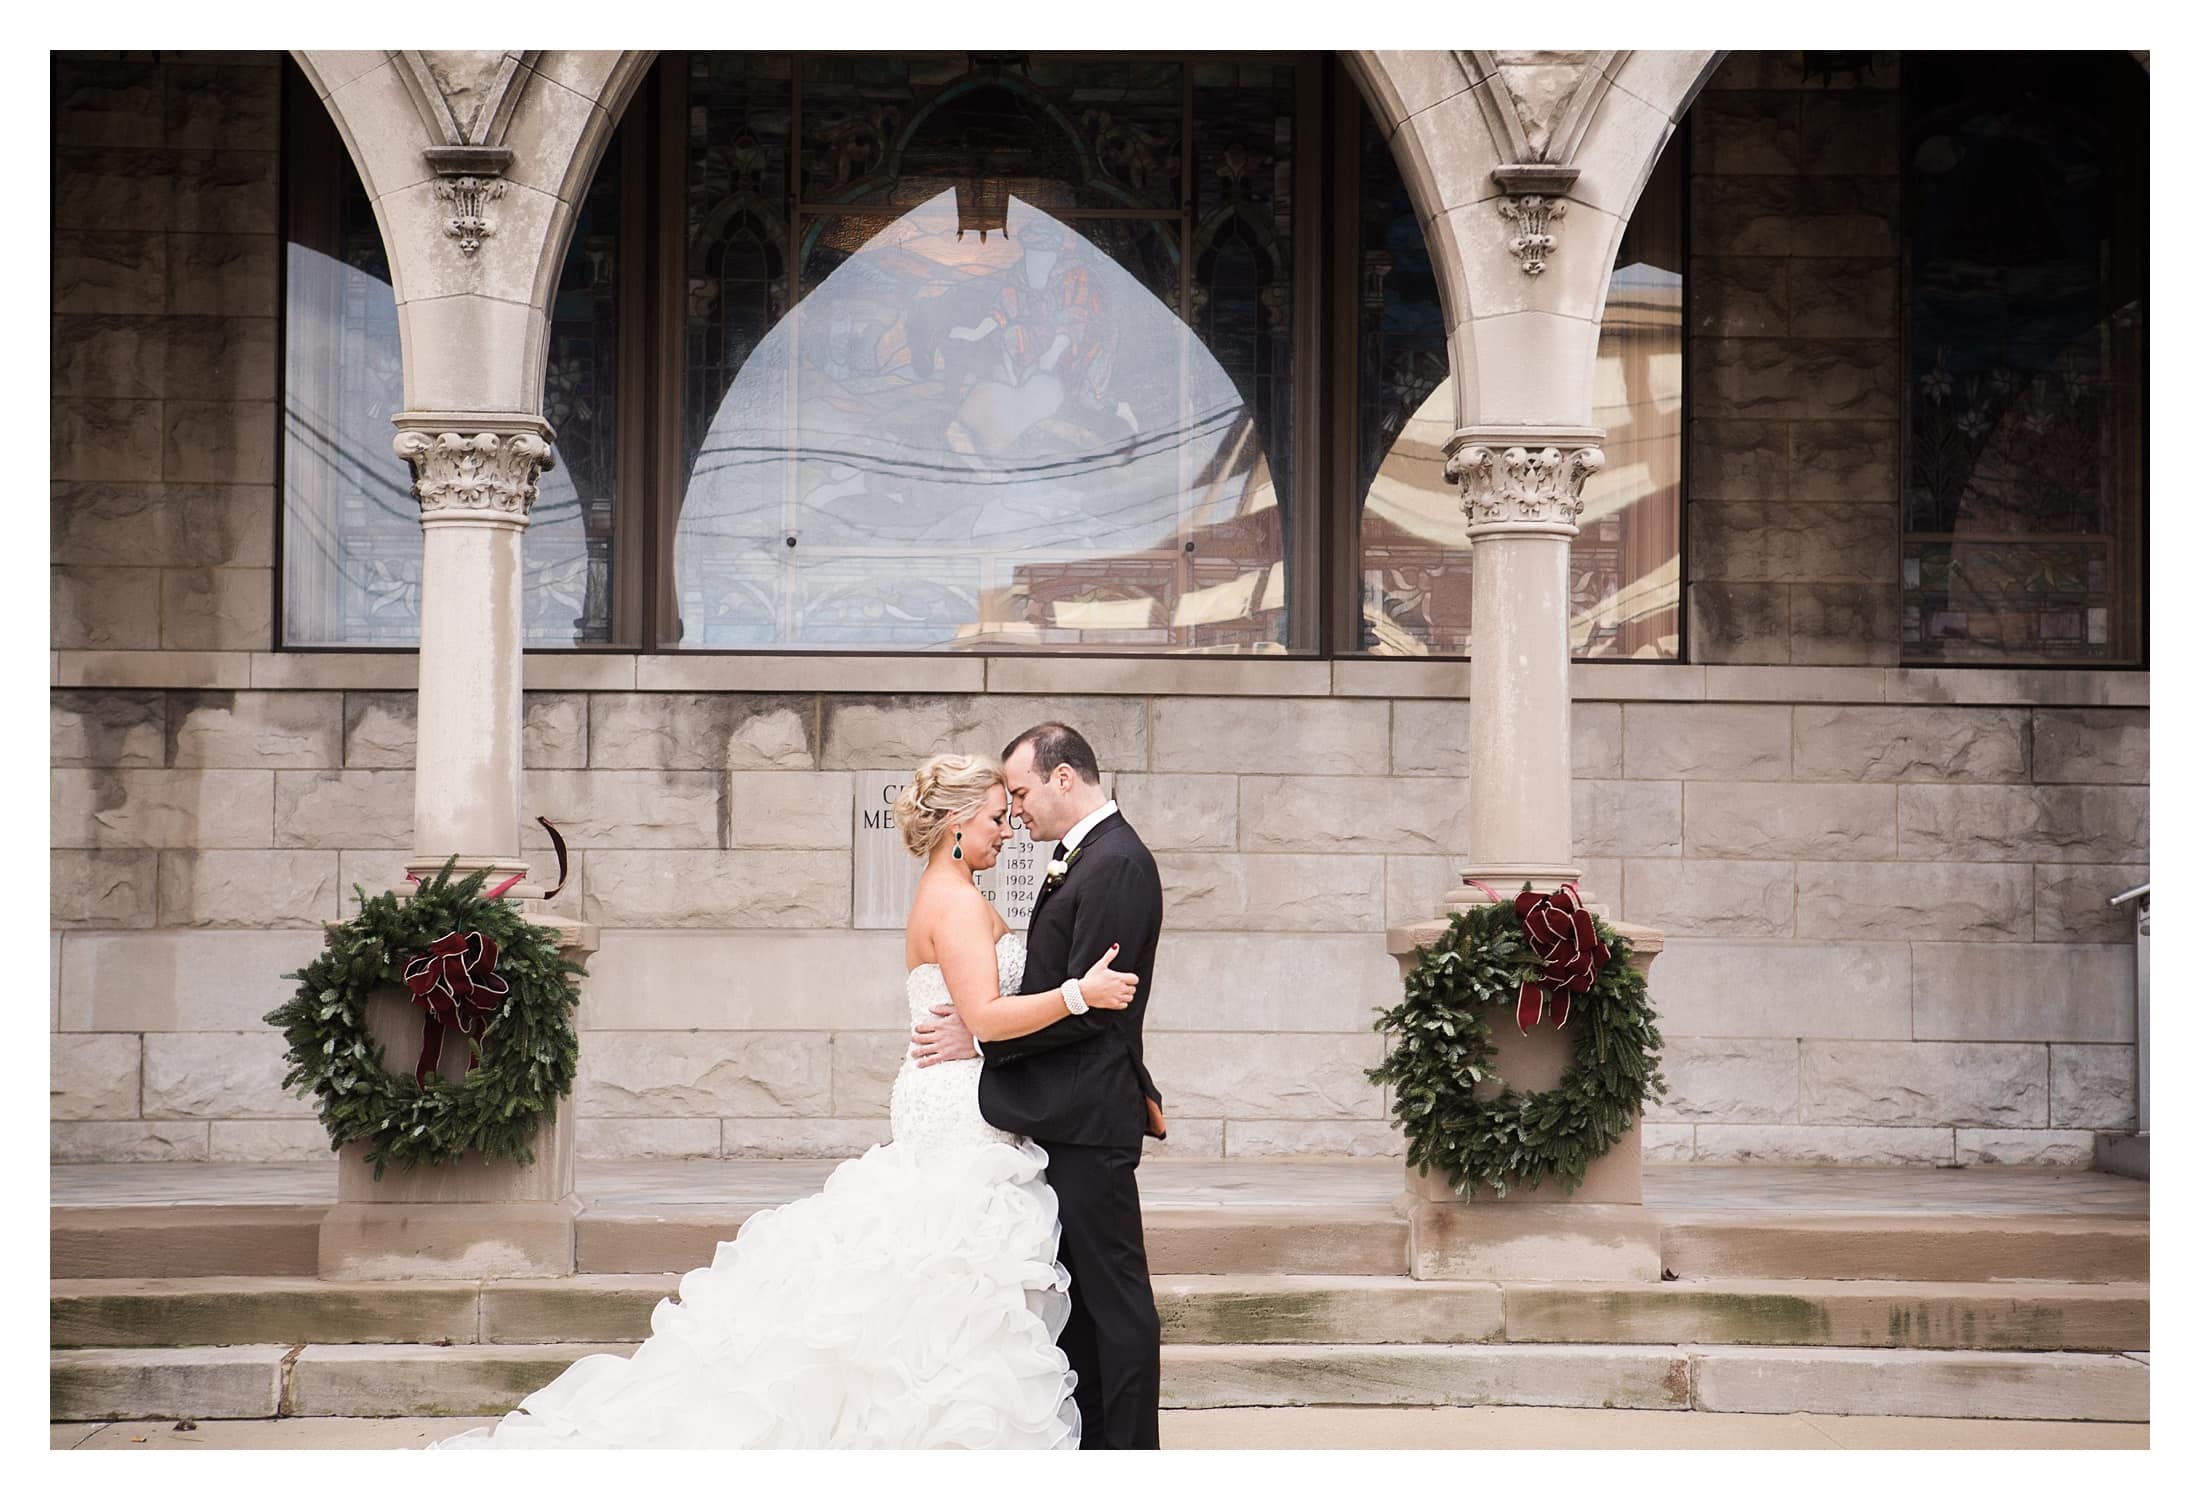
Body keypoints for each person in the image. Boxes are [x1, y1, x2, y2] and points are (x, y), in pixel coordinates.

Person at [431, 753, 1139, 1449]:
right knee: (952, 1278)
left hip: (955, 1092)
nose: (1008, 828)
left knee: (939, 1284)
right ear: (955, 821)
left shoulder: (947, 891)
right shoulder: (955, 902)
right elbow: (984, 1016)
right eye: (994, 816)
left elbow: (976, 1016)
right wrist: (1083, 993)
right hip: (959, 1112)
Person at [910, 721, 1166, 1449]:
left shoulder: (1114, 862)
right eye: (1002, 805)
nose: (1015, 813)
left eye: (1019, 794)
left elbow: (1096, 1005)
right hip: (1057, 1111)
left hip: (1087, 1115)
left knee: (1115, 1301)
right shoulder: (1079, 859)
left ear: (1063, 778)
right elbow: (1062, 989)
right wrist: (984, 1022)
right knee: (1079, 1301)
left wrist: (983, 1031)